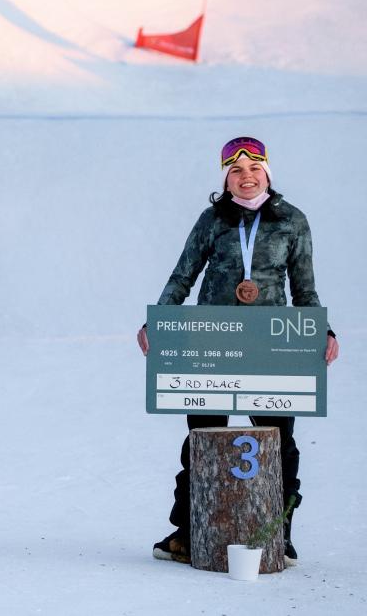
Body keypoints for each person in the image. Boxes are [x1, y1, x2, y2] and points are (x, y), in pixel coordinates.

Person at [137, 136, 339, 566]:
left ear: (267, 172)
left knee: (279, 443)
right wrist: (158, 321)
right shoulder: (212, 219)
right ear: (226, 179)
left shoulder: (292, 221)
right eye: (236, 171)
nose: (246, 178)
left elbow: (305, 287)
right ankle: (189, 532)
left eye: (253, 170)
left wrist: (325, 330)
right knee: (202, 440)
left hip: (271, 346)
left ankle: (278, 533)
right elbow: (183, 275)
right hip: (213, 342)